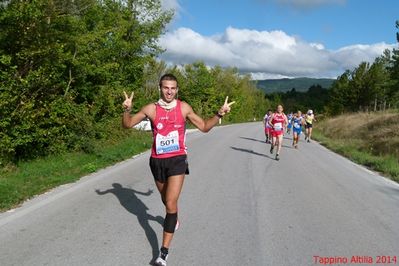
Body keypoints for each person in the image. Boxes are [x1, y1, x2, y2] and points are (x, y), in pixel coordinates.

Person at [122, 74, 235, 266]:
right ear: (160, 88)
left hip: (177, 160)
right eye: (166, 88)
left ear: (177, 90)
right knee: (166, 200)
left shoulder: (184, 108)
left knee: (171, 203)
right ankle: (174, 218)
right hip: (157, 161)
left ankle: (163, 254)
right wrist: (126, 110)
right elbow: (128, 124)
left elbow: (205, 127)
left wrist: (219, 114)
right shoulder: (151, 108)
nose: (169, 91)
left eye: (173, 88)